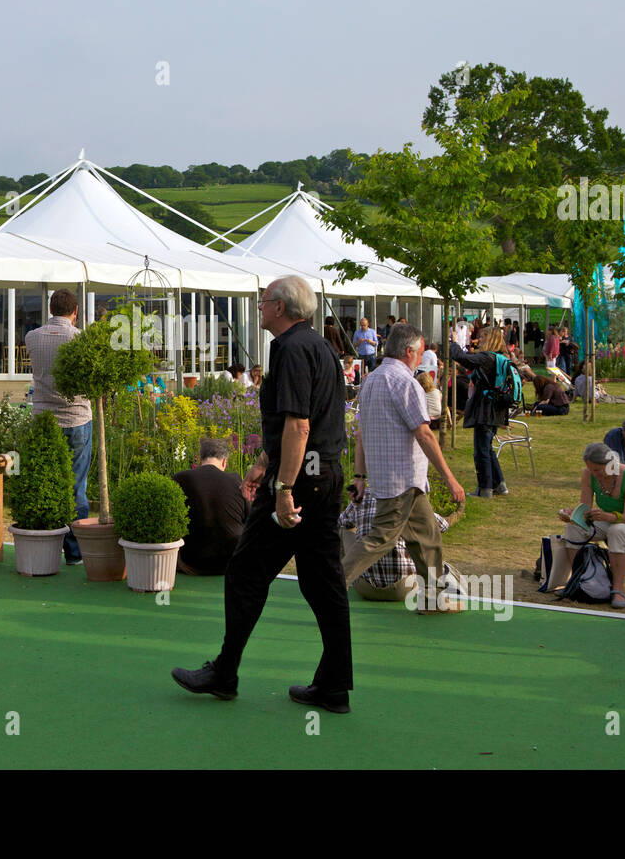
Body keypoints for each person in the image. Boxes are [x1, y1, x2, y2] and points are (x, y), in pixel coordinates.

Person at [173, 275, 352, 714]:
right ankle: (333, 686)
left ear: (282, 308)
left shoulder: (291, 349)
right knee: (322, 582)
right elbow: (310, 423)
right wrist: (266, 463)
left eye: (263, 300)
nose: (258, 306)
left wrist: (284, 488)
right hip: (325, 475)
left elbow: (299, 425)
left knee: (246, 572)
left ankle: (224, 673)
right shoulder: (322, 346)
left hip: (301, 482)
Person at [341, 322, 466, 608]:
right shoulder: (405, 382)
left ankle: (434, 598)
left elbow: (362, 433)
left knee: (427, 540)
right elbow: (423, 433)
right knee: (381, 539)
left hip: (398, 480)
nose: (422, 358)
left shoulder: (372, 379)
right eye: (420, 352)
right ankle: (333, 586)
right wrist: (450, 478)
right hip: (402, 480)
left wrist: (359, 476)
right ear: (409, 351)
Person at [26, 288, 93, 565]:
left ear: (50, 309)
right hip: (76, 418)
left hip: (43, 418)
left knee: (48, 481)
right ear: (75, 311)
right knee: (77, 485)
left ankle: (48, 547)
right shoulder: (80, 339)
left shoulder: (32, 337)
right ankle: (75, 552)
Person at [559, 442, 625, 609]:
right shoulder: (588, 474)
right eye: (590, 469)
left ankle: (618, 589)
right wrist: (572, 516)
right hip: (609, 522)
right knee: (573, 528)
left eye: (597, 470)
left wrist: (606, 516)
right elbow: (585, 510)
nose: (594, 474)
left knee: (617, 531)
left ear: (611, 464)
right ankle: (578, 581)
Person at [451, 326, 513, 499]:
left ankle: (485, 488)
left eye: (482, 337)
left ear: (490, 338)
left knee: (481, 450)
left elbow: (461, 358)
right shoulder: (501, 357)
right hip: (497, 408)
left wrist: (455, 342)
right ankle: (500, 484)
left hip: (485, 409)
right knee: (488, 448)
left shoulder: (487, 358)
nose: (479, 340)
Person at [173, 438, 249, 576]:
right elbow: (249, 519)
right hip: (230, 563)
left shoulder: (180, 479)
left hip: (190, 562)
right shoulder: (236, 480)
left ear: (200, 460)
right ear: (225, 461)